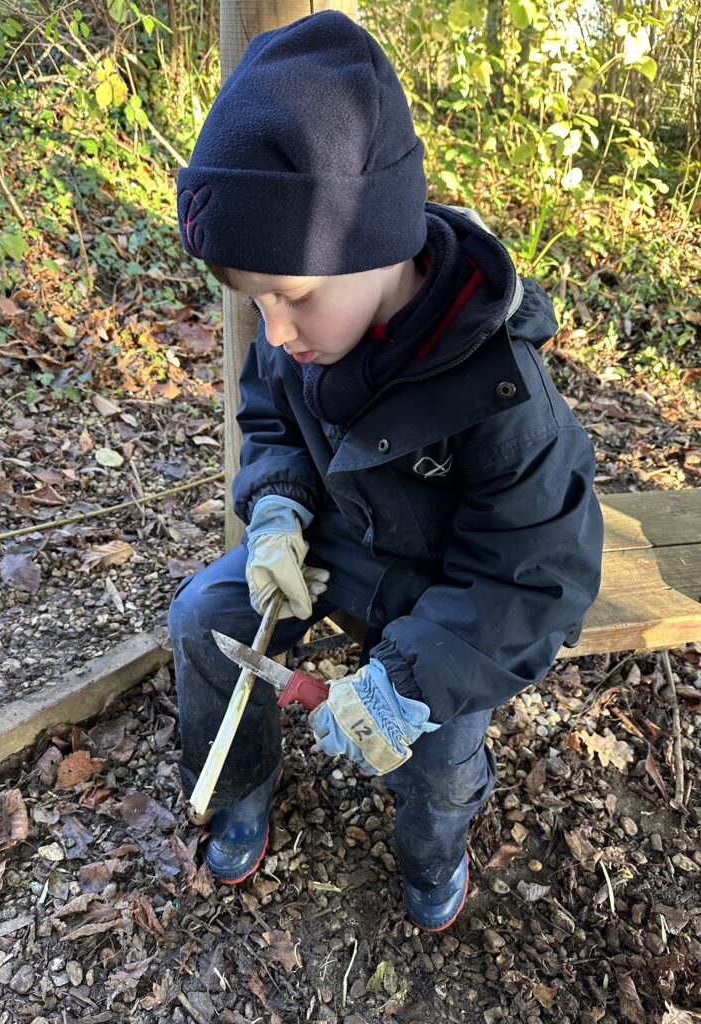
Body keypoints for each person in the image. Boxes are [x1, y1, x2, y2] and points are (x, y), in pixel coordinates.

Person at [169, 10, 603, 932]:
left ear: (377, 244)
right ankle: (238, 786)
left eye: (289, 298)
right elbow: (270, 417)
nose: (275, 333)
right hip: (336, 549)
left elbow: (533, 577)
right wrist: (279, 510)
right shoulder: (305, 340)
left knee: (439, 755)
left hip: (449, 600)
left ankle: (434, 855)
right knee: (205, 618)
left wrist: (402, 680)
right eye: (257, 303)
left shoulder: (502, 393)